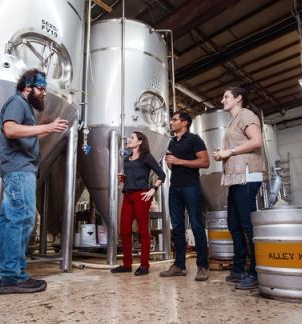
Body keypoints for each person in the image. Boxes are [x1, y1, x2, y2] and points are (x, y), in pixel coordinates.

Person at [0, 69, 69, 294]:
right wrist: (46, 126)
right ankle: (13, 276)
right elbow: (10, 130)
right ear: (28, 87)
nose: (44, 94)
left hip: (16, 171)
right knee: (21, 220)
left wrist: (49, 130)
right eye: (41, 88)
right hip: (20, 171)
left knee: (6, 224)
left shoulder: (26, 109)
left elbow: (26, 134)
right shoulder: (17, 102)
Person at [213, 87, 264, 289]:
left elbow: (257, 141)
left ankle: (257, 272)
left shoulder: (246, 115)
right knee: (234, 225)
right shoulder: (233, 121)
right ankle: (239, 268)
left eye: (226, 96)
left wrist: (229, 151)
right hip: (236, 179)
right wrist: (223, 153)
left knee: (247, 224)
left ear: (238, 98)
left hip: (247, 176)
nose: (222, 99)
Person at [159, 111, 210, 281]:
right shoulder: (172, 142)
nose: (171, 122)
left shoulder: (194, 139)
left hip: (191, 187)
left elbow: (205, 162)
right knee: (177, 227)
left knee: (196, 225)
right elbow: (175, 166)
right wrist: (171, 164)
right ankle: (179, 266)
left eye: (174, 120)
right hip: (175, 188)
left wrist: (178, 161)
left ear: (184, 123)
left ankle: (203, 266)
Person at [110, 131, 166, 276]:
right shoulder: (127, 158)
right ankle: (127, 265)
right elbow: (129, 177)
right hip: (127, 196)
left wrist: (153, 189)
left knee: (143, 231)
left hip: (141, 196)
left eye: (132, 138)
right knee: (124, 230)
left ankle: (144, 265)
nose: (129, 139)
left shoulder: (146, 157)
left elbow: (161, 174)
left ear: (140, 141)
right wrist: (122, 178)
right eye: (130, 137)